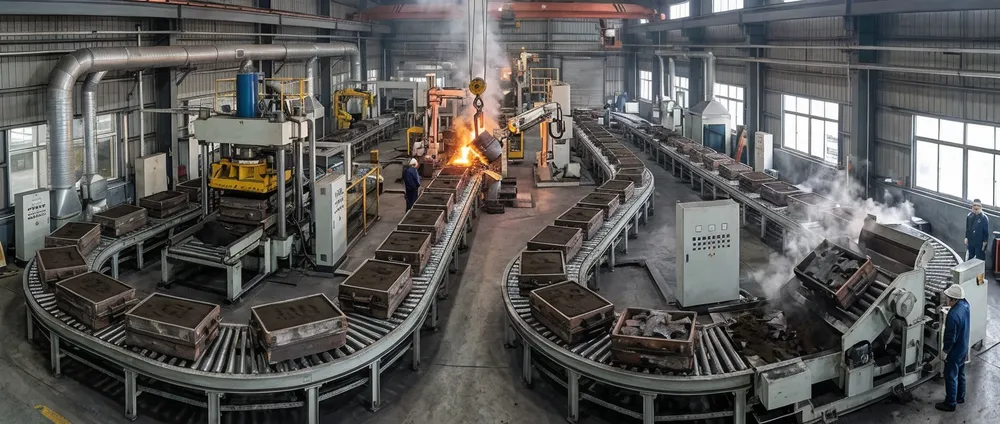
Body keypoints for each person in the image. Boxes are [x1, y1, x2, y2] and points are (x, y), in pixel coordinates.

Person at [936, 284, 971, 412]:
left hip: (954, 351)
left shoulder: (953, 315)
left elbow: (950, 337)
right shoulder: (966, 305)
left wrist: (945, 352)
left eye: (948, 298)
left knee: (950, 376)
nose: (946, 300)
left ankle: (950, 403)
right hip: (963, 346)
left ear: (954, 299)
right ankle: (960, 397)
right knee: (961, 373)